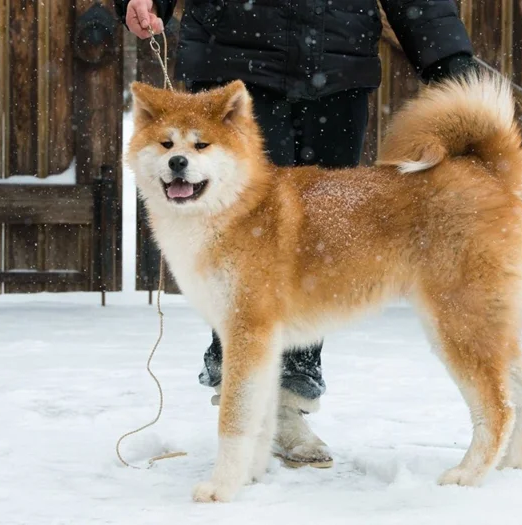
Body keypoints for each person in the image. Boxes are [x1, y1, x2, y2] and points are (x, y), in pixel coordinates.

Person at [115, 0, 476, 468]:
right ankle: (242, 399)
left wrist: (446, 54)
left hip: (336, 67)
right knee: (234, 260)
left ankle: (288, 400)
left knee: (319, 256)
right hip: (235, 65)